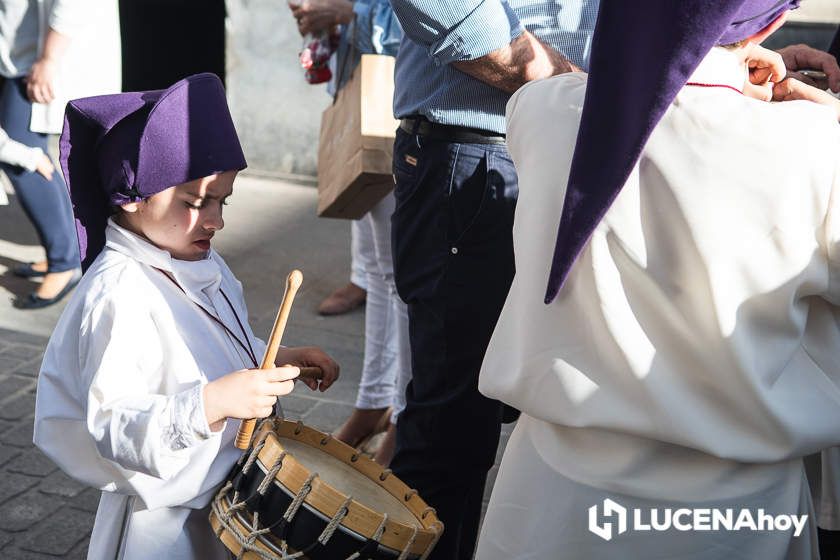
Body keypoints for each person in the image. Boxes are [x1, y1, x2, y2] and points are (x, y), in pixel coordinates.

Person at [476, 0, 840, 557]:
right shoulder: (815, 145)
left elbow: (636, 105)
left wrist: (712, 68)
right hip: (736, 517)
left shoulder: (541, 111)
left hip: (551, 496)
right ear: (769, 24)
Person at [32, 73, 340, 559]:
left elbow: (200, 353)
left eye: (223, 200)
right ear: (131, 196)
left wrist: (273, 359)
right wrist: (212, 403)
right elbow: (114, 424)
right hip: (168, 526)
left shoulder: (195, 256)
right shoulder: (118, 292)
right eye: (196, 203)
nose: (216, 220)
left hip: (227, 496)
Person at [384, 1, 599, 556]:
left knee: (564, 402)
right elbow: (453, 13)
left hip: (560, 154)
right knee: (453, 423)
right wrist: (585, 89)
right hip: (477, 162)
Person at [290, 0, 407, 465]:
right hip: (368, 81)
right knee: (382, 273)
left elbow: (445, 17)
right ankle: (376, 402)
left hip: (410, 90)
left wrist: (347, 11)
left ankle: (401, 414)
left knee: (401, 276)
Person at [0, 0, 120, 308]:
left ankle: (65, 261)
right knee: (26, 153)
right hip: (19, 54)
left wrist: (48, 59)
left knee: (21, 156)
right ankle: (67, 251)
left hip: (35, 60)